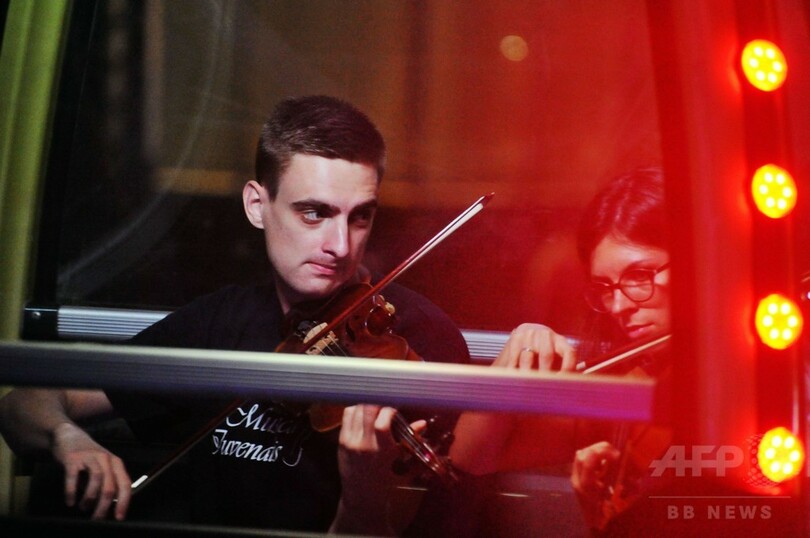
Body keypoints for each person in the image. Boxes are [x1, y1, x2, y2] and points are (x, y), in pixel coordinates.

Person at [0, 95, 470, 535]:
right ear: (256, 205)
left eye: (360, 217)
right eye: (313, 214)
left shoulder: (415, 338)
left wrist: (365, 501)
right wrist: (68, 436)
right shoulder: (218, 322)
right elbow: (23, 404)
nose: (341, 245)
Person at [447, 166, 671, 534]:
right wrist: (513, 357)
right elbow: (471, 456)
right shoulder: (623, 386)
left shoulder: (751, 380)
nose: (618, 306)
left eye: (639, 275)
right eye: (605, 287)